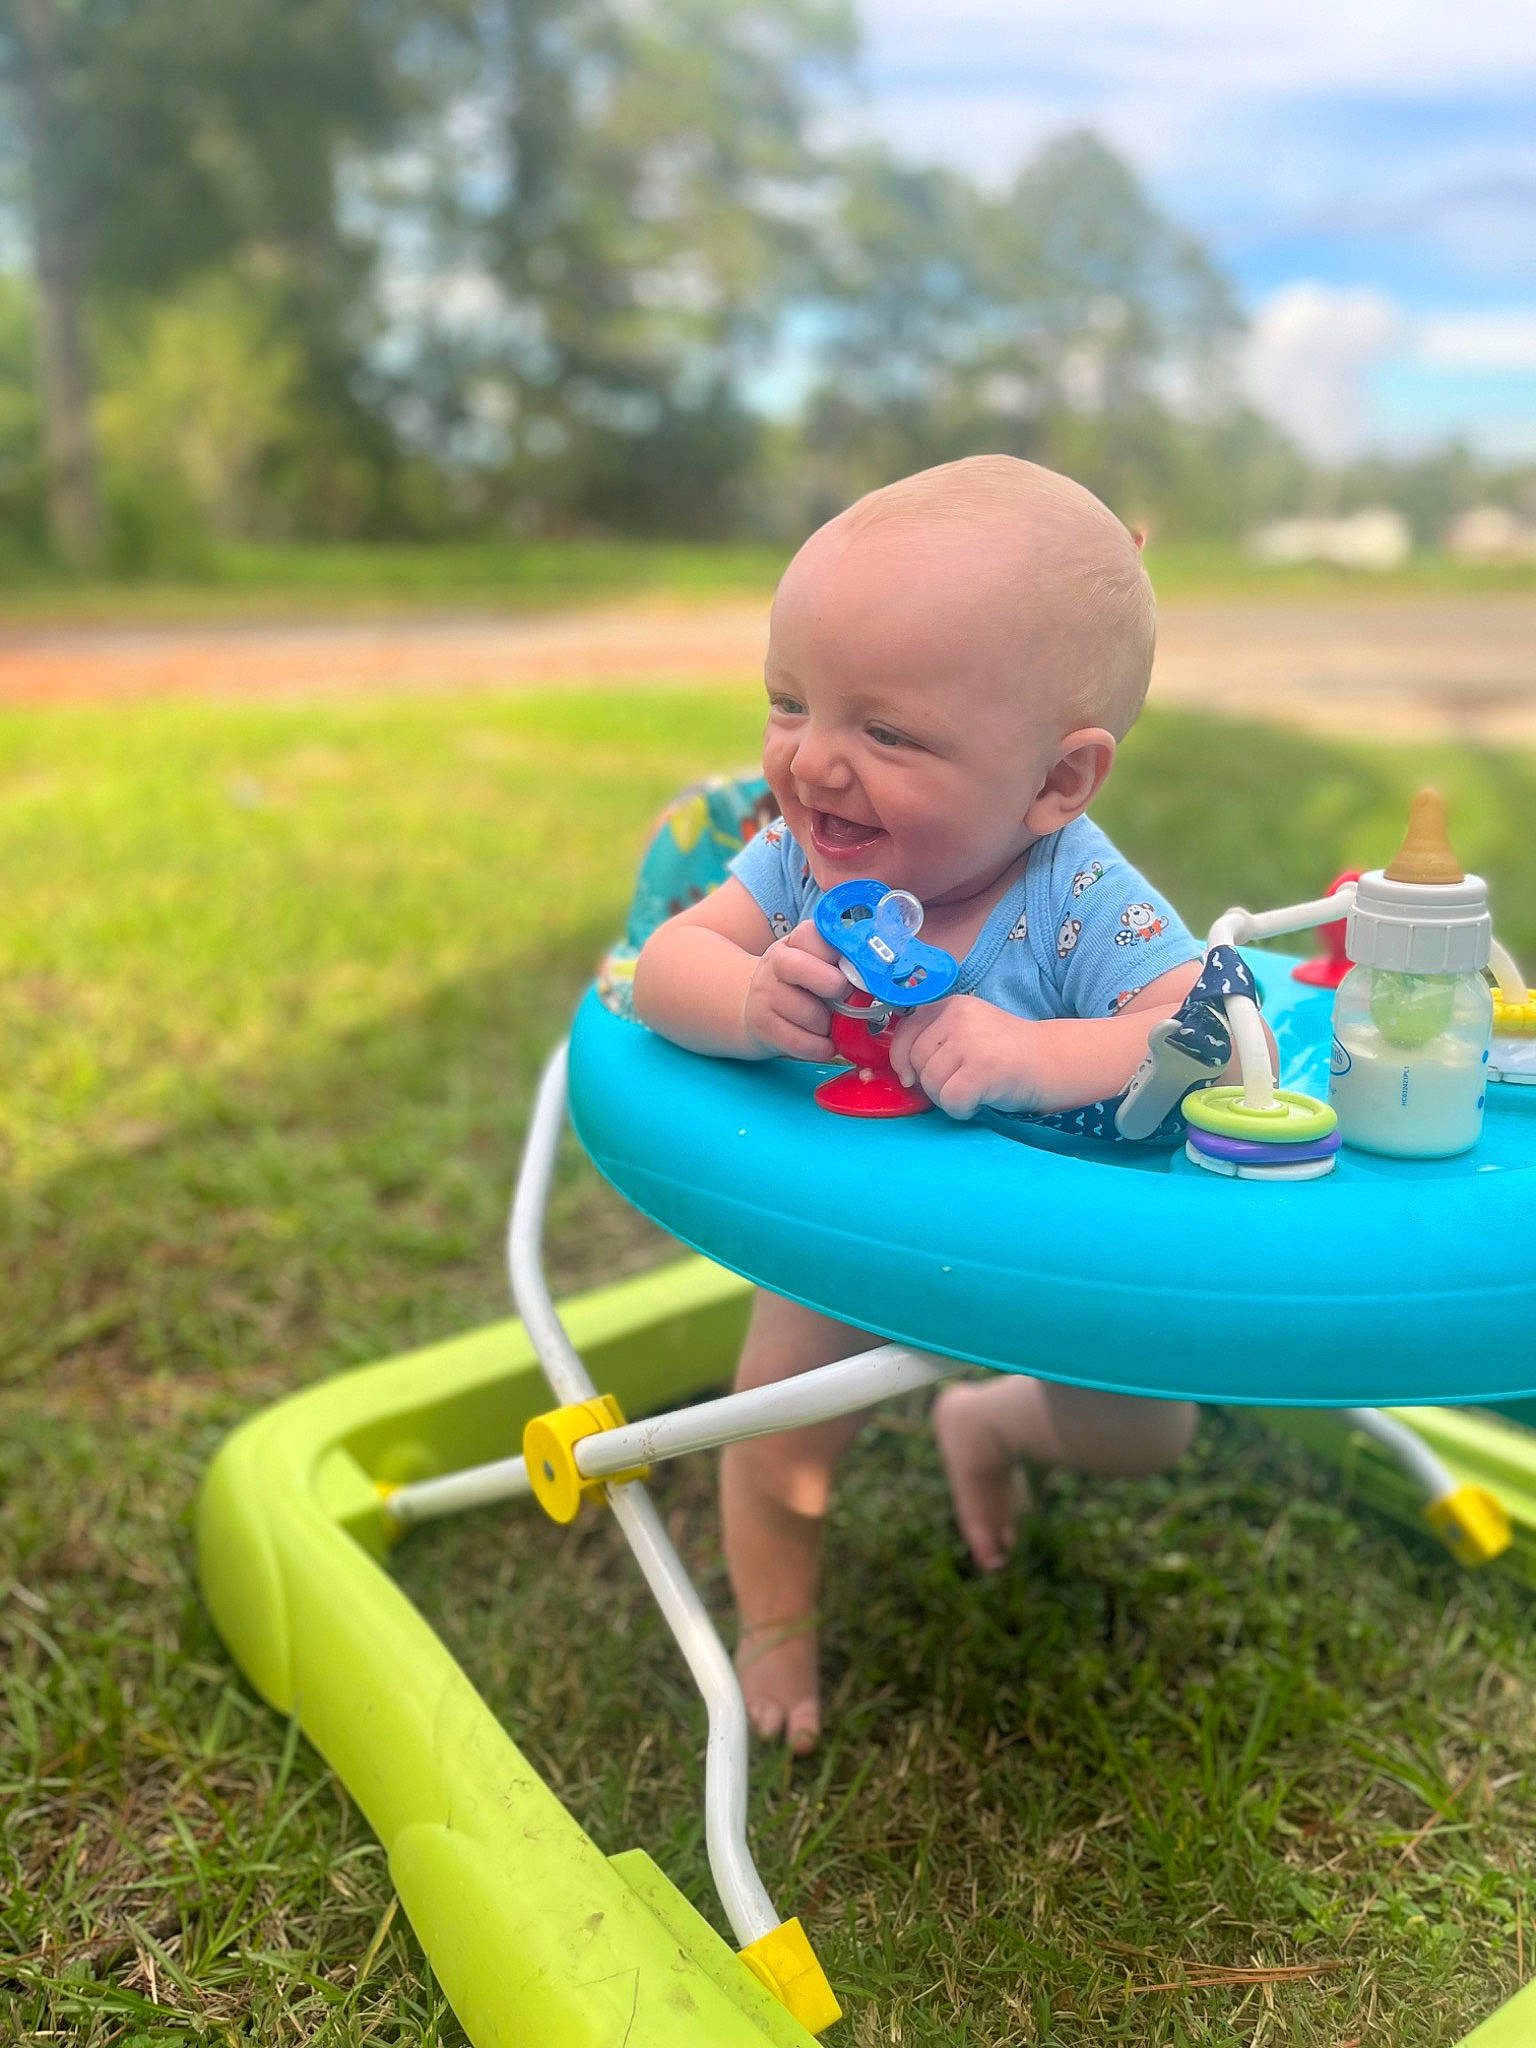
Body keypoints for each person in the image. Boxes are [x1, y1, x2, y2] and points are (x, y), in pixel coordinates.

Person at [632, 455, 1203, 1754]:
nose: (814, 763)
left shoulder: (1075, 891)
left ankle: (985, 1418)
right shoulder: (792, 861)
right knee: (781, 1431)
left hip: (1053, 1236)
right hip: (849, 1220)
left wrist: (1030, 1053)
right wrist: (742, 1000)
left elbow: (1202, 1030)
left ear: (1059, 783)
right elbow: (665, 961)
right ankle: (774, 1638)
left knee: (1145, 1432)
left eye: (885, 734)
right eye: (791, 703)